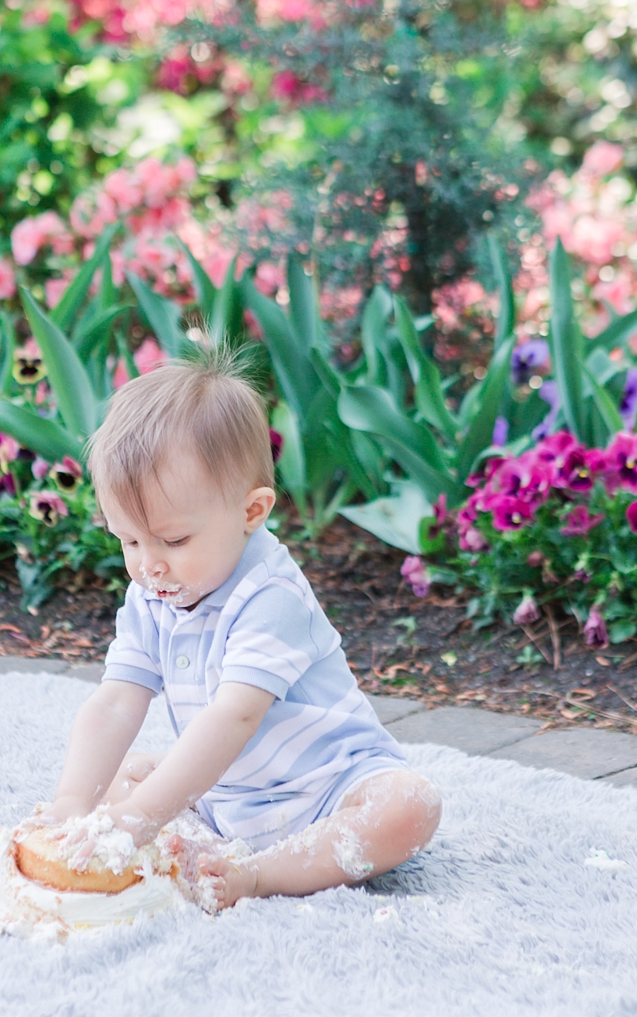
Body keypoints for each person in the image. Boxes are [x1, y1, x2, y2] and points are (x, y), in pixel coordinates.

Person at [45, 345, 440, 908]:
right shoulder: (153, 594)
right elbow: (115, 702)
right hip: (228, 797)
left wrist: (138, 820)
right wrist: (72, 806)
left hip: (327, 788)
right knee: (123, 777)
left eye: (174, 540)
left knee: (410, 804)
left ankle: (260, 875)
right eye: (128, 540)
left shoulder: (270, 595)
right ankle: (206, 840)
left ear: (251, 512)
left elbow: (235, 716)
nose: (149, 563)